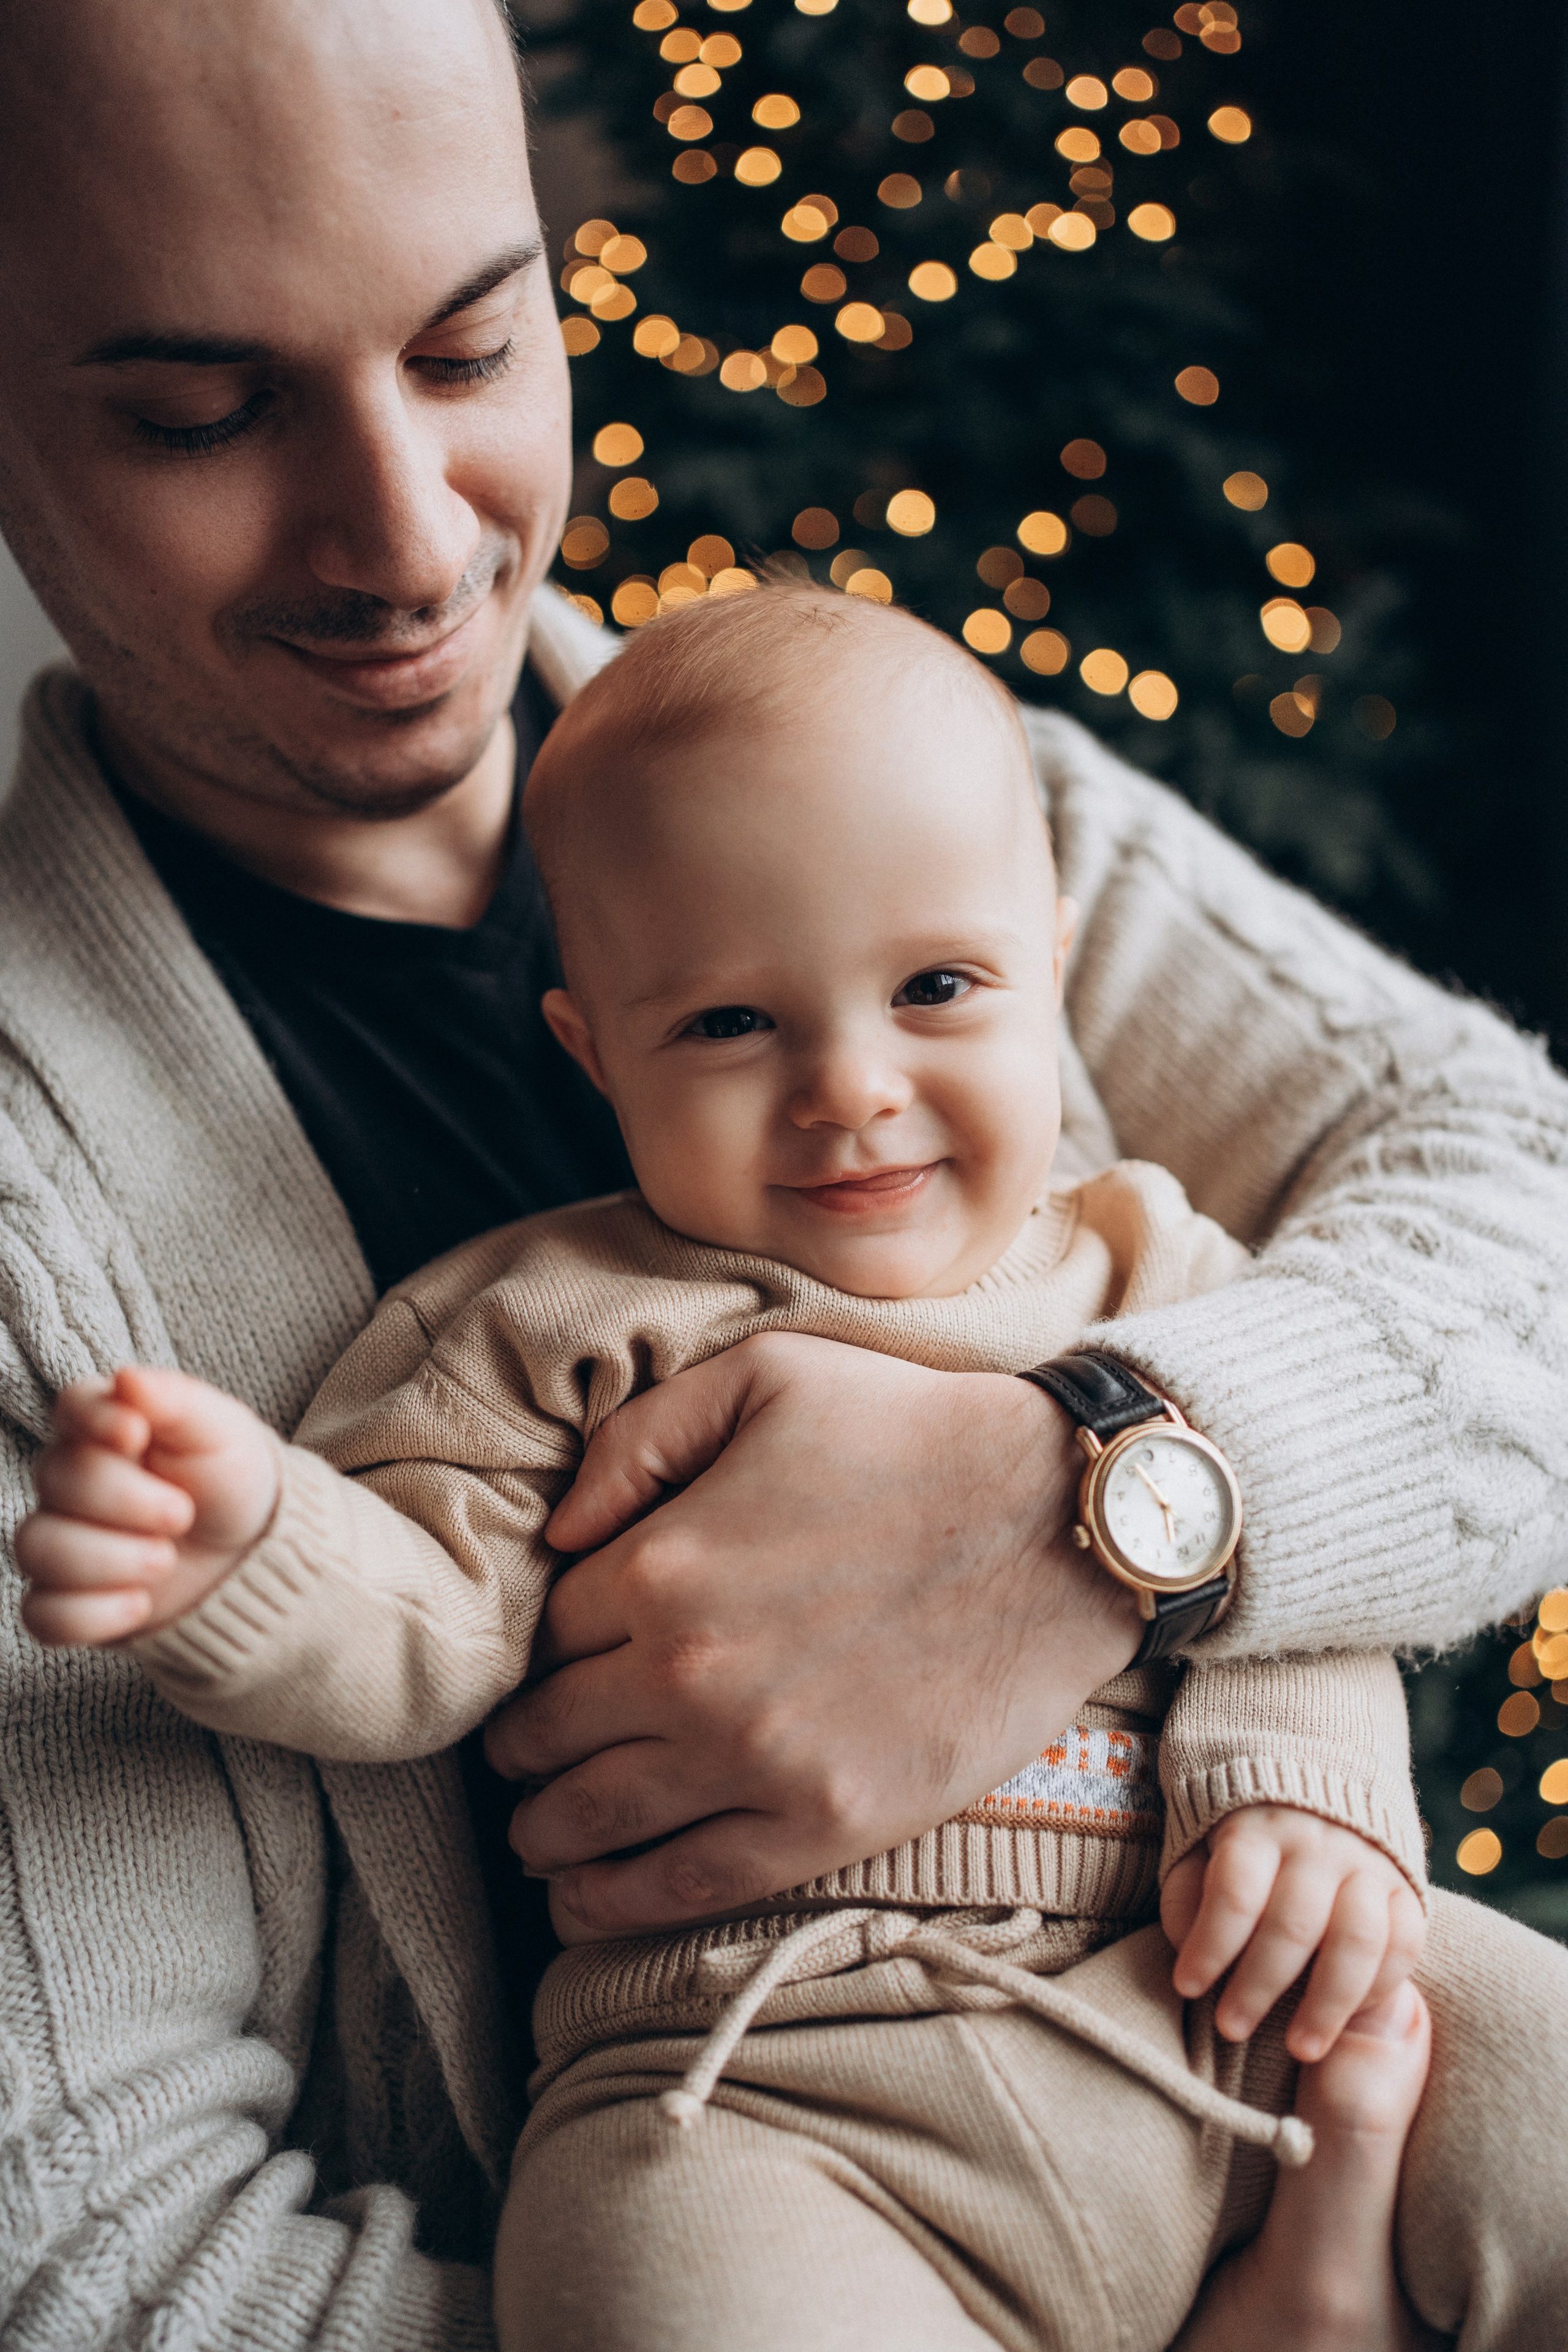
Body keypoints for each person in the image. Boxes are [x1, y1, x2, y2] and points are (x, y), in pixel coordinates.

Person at [0, 0, 1564, 2344]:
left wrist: (1118, 1490)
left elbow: (1515, 1183)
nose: (407, 539)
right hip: (757, 2151)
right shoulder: (50, 1216)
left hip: (1241, 2031)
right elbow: (105, 2250)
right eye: (200, 414)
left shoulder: (874, 774)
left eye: (472, 339)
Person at [22, 584, 1464, 2352]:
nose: (851, 1089)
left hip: (1228, 1989)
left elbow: (1299, 1575)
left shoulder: (1150, 1266)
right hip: (766, 2096)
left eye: (938, 988)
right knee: (650, 2294)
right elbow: (433, 1625)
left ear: (1056, 962)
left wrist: (1301, 1788)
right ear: (592, 1045)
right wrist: (249, 1550)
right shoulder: (540, 1321)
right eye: (728, 1028)